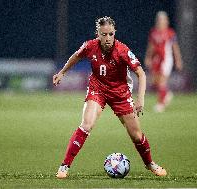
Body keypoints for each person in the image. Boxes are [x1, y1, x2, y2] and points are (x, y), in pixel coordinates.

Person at [53, 16, 167, 179]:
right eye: (104, 34)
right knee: (86, 124)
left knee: (136, 134)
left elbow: (141, 73)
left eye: (110, 34)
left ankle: (150, 164)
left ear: (114, 33)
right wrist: (62, 72)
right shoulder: (90, 46)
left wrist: (140, 99)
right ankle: (64, 166)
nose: (107, 38)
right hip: (97, 89)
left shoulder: (122, 51)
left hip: (120, 94)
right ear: (97, 34)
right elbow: (76, 57)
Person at [144, 11, 183, 113]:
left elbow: (175, 47)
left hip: (166, 59)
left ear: (166, 21)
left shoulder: (170, 33)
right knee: (154, 81)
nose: (161, 22)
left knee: (162, 81)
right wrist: (148, 57)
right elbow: (151, 46)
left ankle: (160, 104)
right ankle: (166, 94)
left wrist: (178, 60)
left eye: (163, 20)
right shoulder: (154, 32)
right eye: (159, 20)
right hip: (156, 59)